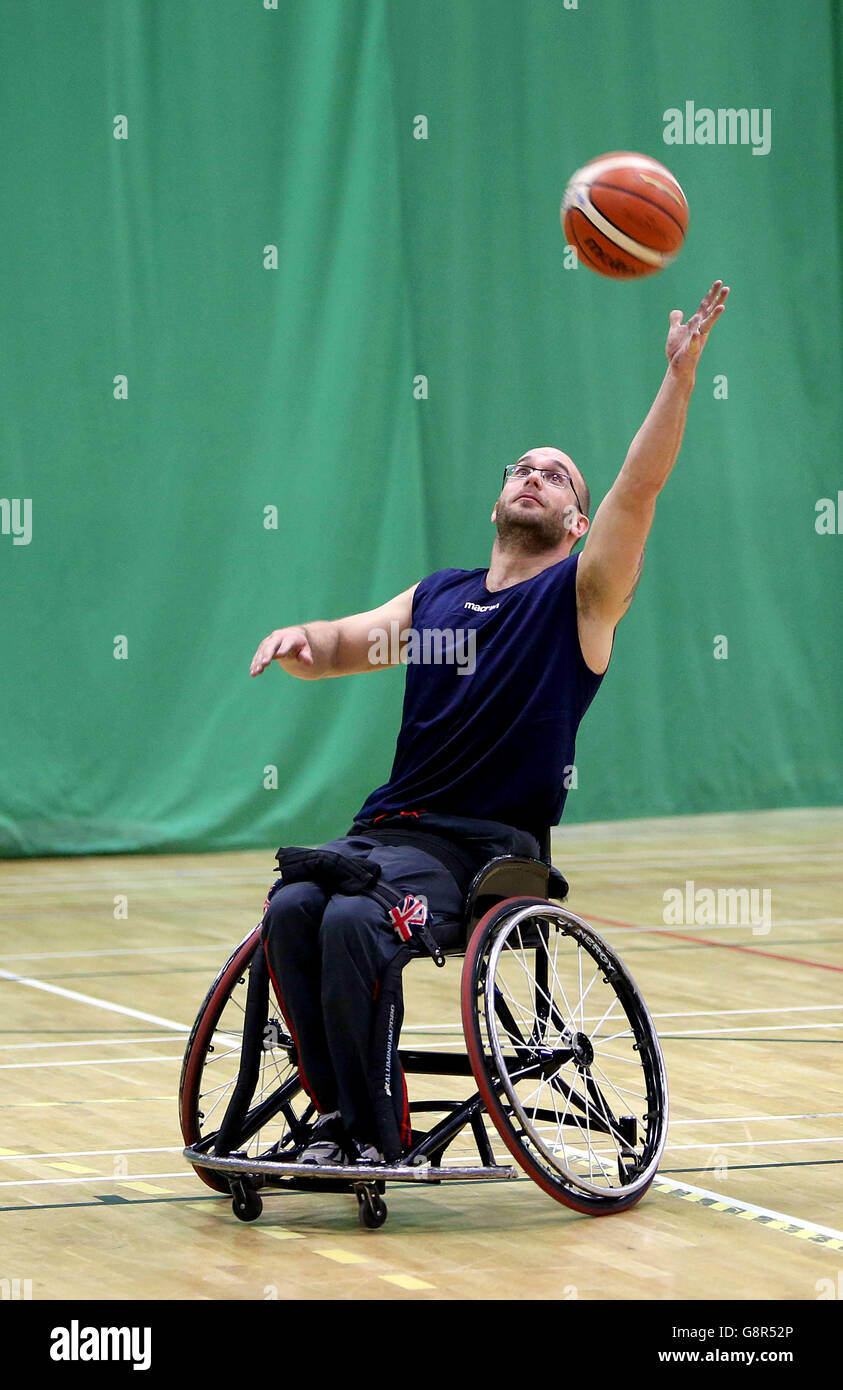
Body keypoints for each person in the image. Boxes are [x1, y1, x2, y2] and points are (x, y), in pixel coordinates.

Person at [250, 281, 729, 1165]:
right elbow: (349, 644)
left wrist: (679, 378)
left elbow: (642, 486)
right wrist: (298, 640)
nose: (534, 473)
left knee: (355, 924)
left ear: (576, 520)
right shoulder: (440, 595)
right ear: (500, 496)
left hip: (484, 852)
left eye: (557, 475)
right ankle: (337, 1115)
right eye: (523, 465)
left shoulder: (579, 596)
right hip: (388, 835)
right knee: (292, 908)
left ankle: (370, 1135)